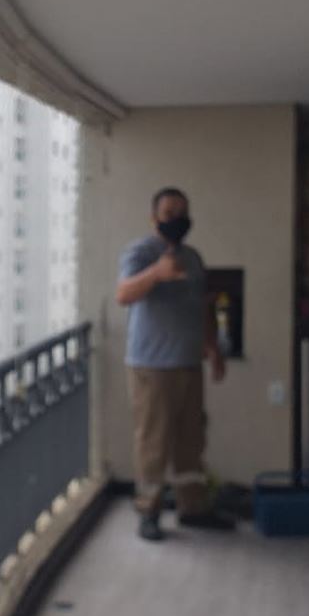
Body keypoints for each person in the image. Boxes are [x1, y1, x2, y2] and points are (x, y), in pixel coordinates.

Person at [116, 187, 235, 541]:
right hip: (151, 366)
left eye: (182, 212)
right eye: (169, 213)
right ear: (154, 218)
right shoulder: (140, 252)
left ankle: (192, 508)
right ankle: (148, 511)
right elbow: (123, 294)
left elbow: (202, 306)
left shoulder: (194, 257)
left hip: (189, 363)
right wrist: (156, 273)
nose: (177, 219)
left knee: (191, 441)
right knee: (153, 442)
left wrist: (213, 348)